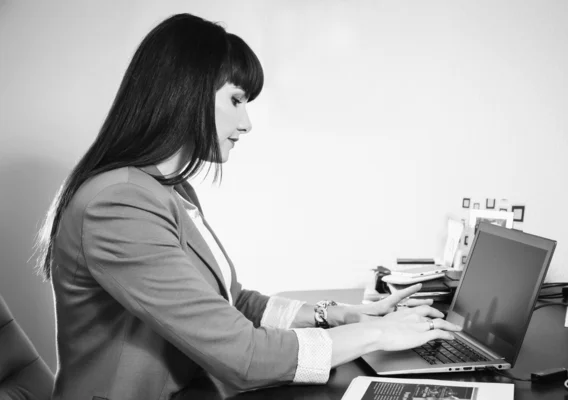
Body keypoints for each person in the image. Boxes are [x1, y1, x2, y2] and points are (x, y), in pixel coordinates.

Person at [34, 13, 461, 400]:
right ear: (189, 92)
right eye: (237, 100)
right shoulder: (119, 204)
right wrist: (377, 334)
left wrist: (338, 315)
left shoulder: (166, 189)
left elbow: (232, 303)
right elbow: (243, 355)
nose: (246, 123)